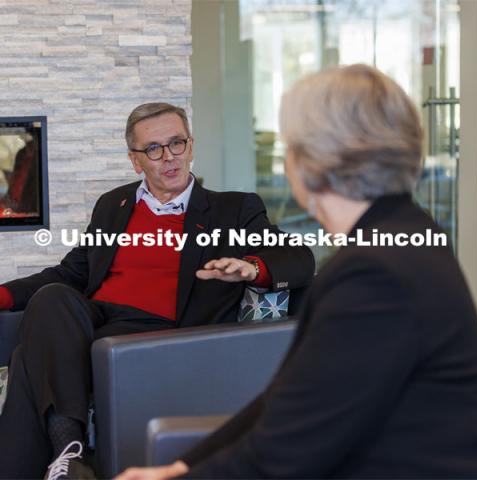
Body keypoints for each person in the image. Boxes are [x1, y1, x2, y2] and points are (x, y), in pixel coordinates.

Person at [116, 65, 477, 480]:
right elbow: (289, 396)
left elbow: (288, 450)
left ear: (314, 162)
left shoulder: (373, 273)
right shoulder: (407, 233)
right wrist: (182, 464)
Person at [0, 102, 315, 479]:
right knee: (51, 297)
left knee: (27, 359)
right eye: (154, 149)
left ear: (191, 146)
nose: (169, 157)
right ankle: (70, 456)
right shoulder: (112, 206)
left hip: (158, 332)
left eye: (176, 143)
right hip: (97, 317)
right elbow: (70, 273)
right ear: (136, 161)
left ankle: (64, 449)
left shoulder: (232, 209)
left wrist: (254, 268)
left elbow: (299, 259)